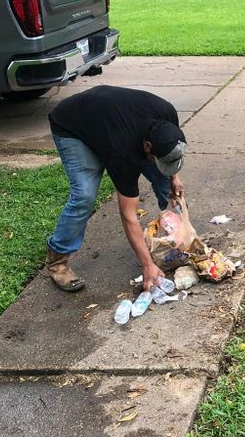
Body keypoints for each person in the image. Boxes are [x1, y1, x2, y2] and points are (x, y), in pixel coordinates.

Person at [44, 85, 186, 294]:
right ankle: (57, 259)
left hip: (107, 118)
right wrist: (147, 265)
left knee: (165, 181)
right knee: (85, 194)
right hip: (73, 127)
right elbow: (128, 215)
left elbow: (171, 150)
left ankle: (173, 238)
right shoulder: (123, 152)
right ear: (147, 147)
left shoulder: (166, 113)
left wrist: (174, 176)